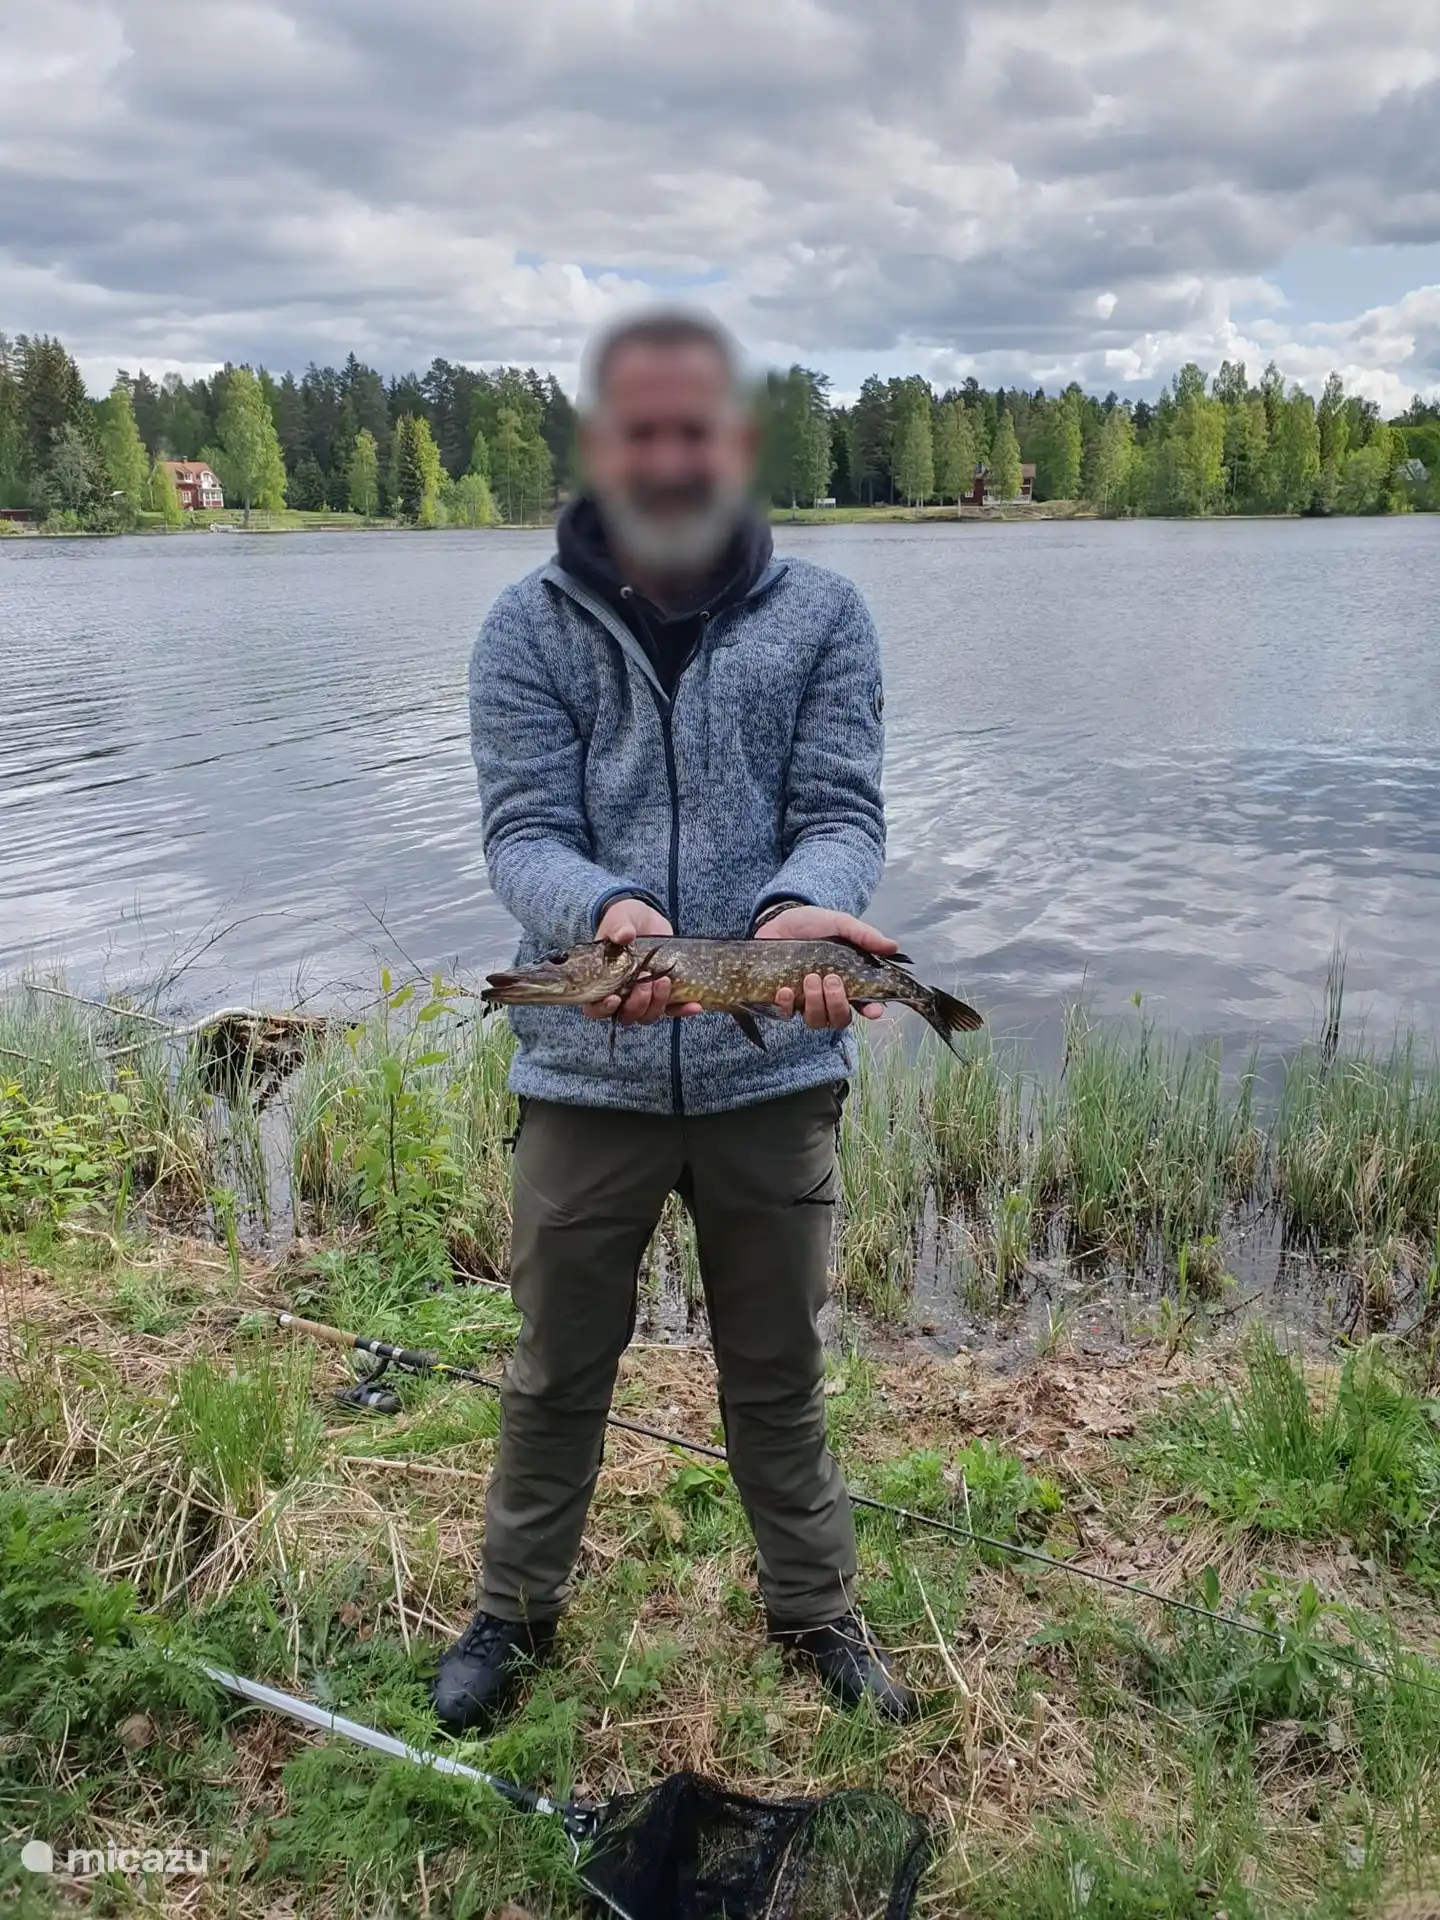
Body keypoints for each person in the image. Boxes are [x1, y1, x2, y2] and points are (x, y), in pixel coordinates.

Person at [434, 306, 916, 1734]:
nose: (666, 452)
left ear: (736, 444)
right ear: (601, 445)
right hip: (587, 1070)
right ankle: (514, 1614)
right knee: (552, 1365)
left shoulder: (825, 617)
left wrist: (796, 921)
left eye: (691, 428)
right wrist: (612, 915)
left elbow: (842, 816)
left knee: (780, 1369)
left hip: (779, 1071)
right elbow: (523, 833)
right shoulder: (524, 628)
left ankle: (815, 1609)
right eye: (638, 429)